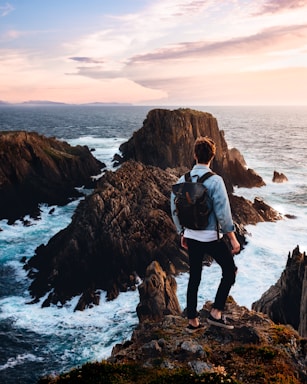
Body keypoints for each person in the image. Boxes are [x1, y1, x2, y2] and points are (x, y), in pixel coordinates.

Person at [171, 136, 240, 331]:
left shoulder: (182, 180)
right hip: (211, 238)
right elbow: (223, 214)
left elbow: (175, 209)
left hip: (191, 237)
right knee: (230, 271)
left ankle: (192, 321)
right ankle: (216, 313)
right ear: (212, 156)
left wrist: (182, 232)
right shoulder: (215, 181)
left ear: (194, 155)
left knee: (195, 277)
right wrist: (233, 239)